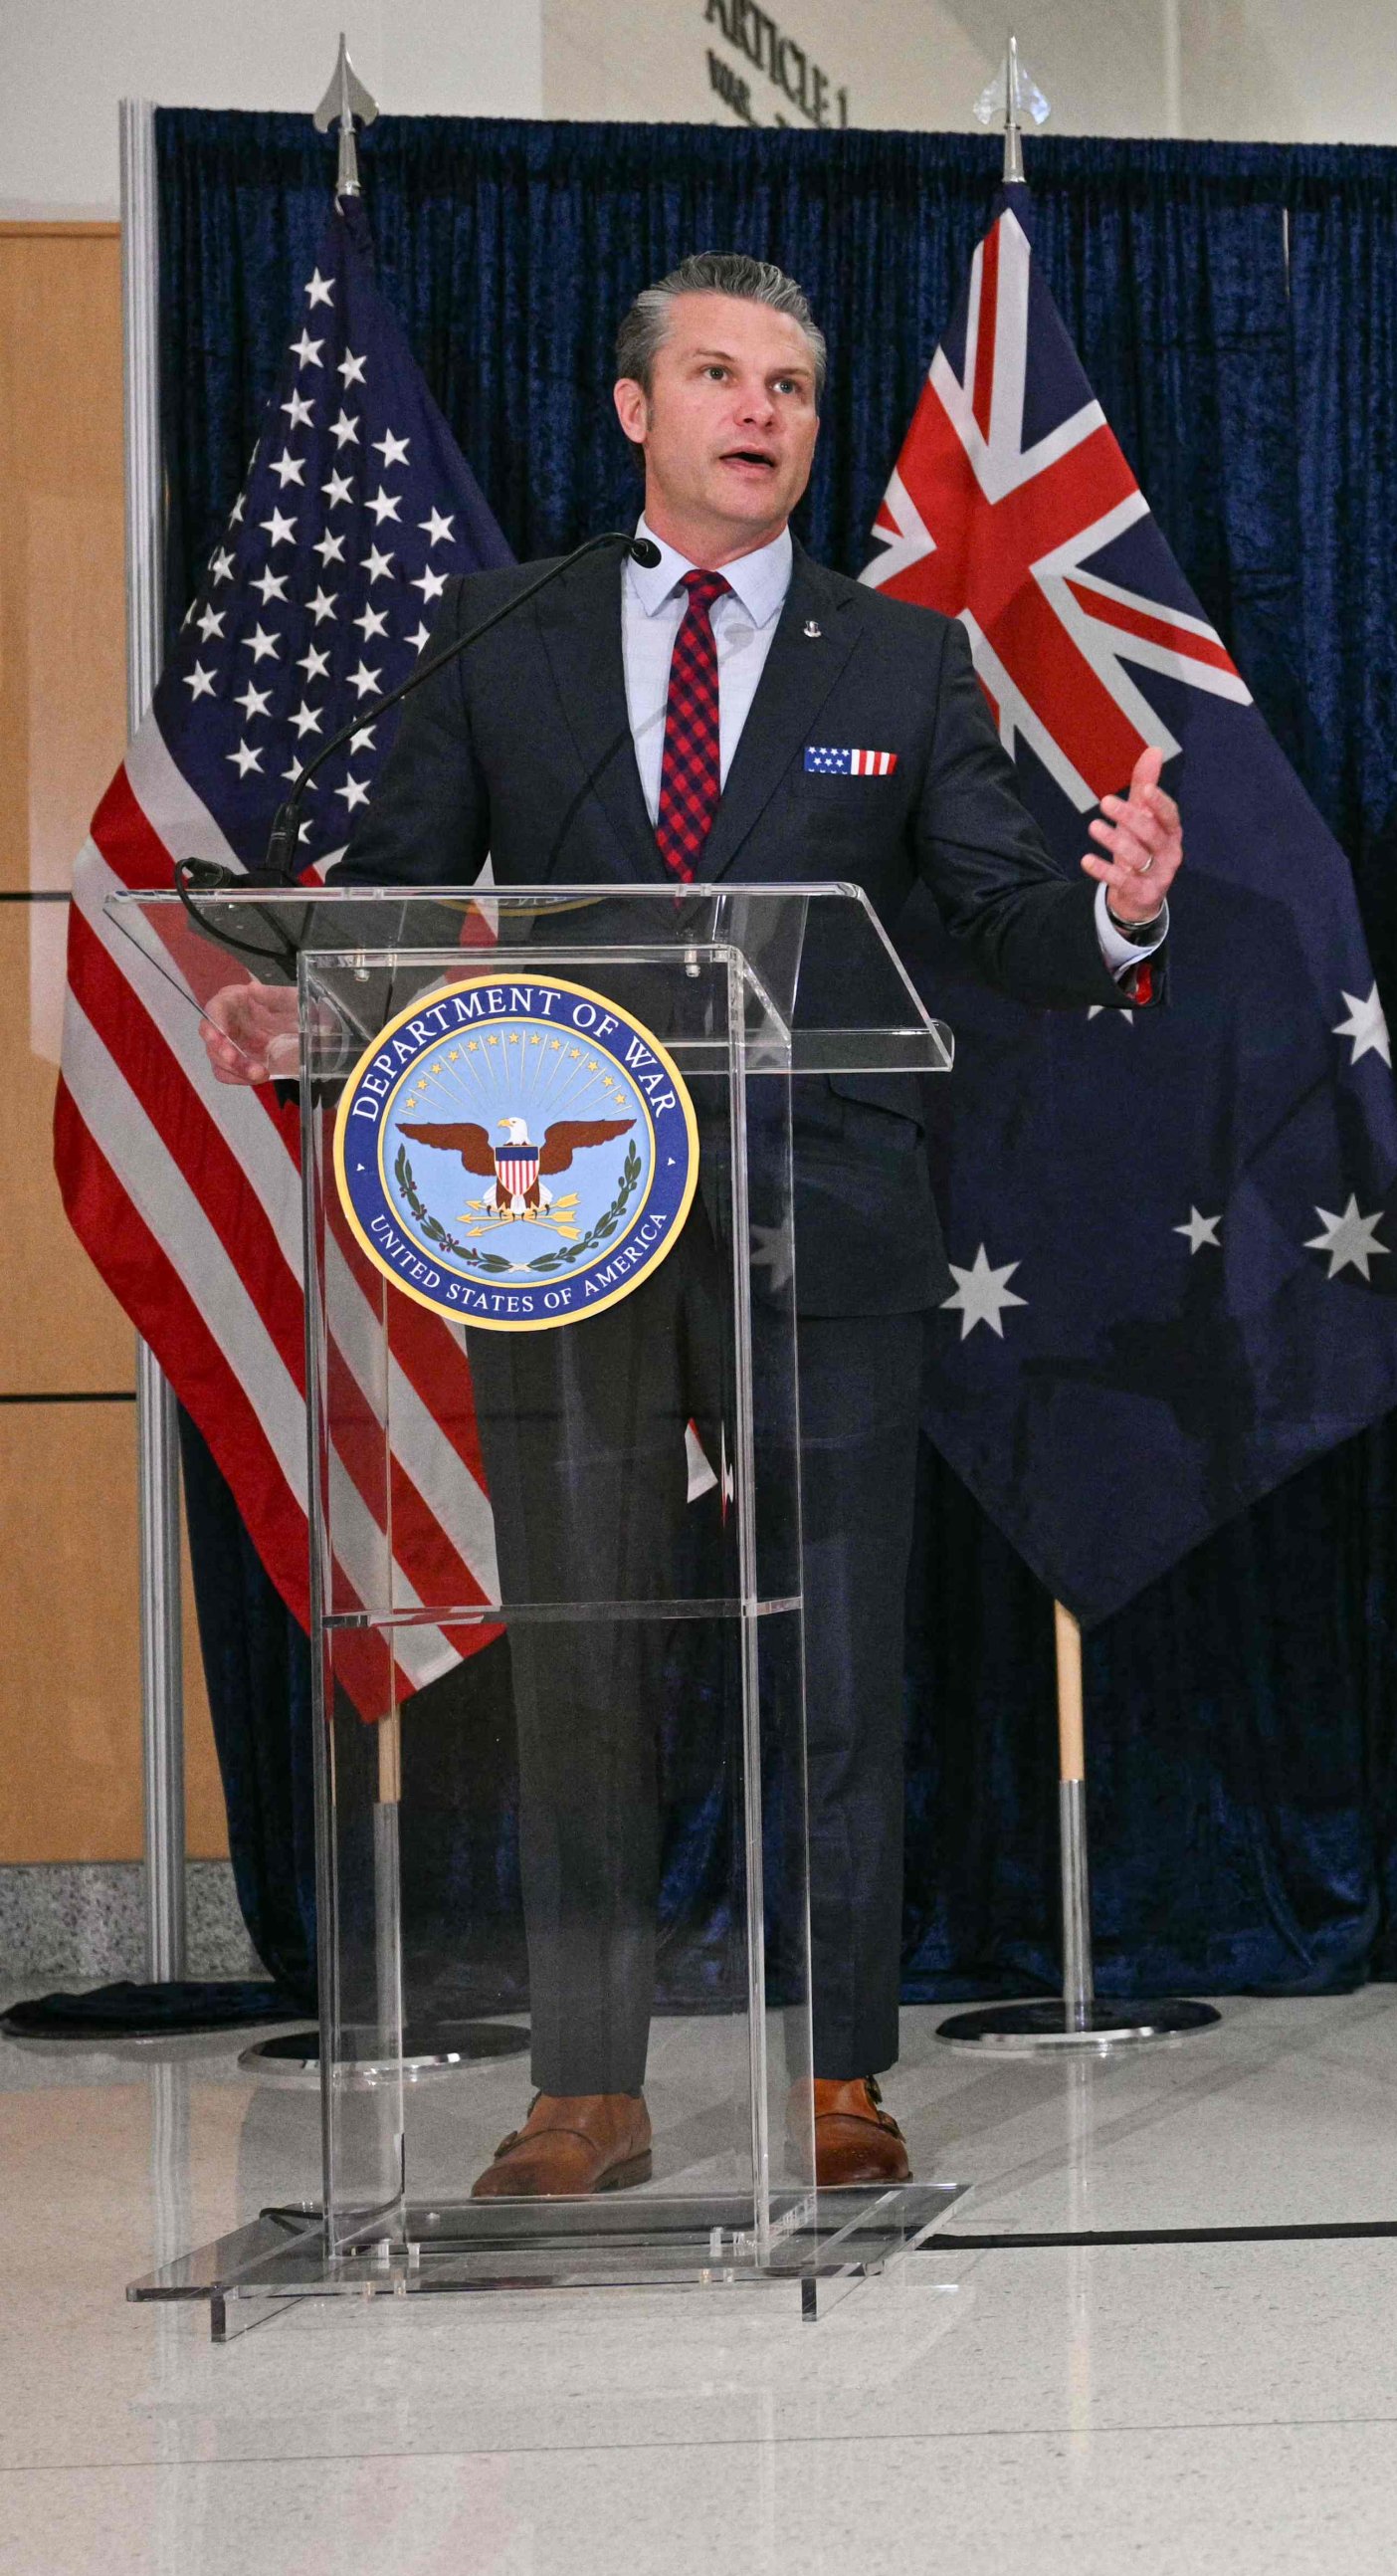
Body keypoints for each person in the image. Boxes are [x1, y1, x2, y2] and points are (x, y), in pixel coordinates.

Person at [201, 254, 1182, 2195]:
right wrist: (316, 1015)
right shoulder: (501, 633)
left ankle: (837, 2070)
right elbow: (398, 900)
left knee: (836, 1652)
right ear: (636, 408)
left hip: (826, 1198)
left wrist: (1121, 910)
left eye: (796, 384)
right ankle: (588, 2083)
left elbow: (999, 914)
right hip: (560, 1193)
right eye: (723, 375)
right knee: (580, 1637)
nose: (764, 410)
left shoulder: (895, 658)